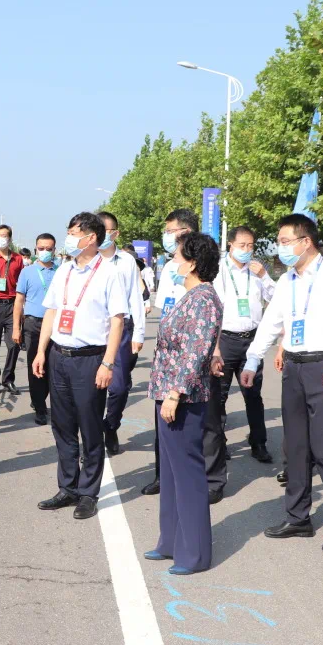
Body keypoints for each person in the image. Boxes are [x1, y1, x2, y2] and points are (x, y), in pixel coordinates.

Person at [242, 213, 323, 554]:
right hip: (293, 367)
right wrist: (253, 359)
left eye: (285, 242)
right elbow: (271, 322)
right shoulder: (287, 280)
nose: (281, 248)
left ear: (305, 241)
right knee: (295, 448)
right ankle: (298, 517)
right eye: (279, 243)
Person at [34, 212, 127, 520]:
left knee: (89, 427)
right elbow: (51, 312)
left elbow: (117, 322)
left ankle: (88, 492)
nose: (69, 238)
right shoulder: (63, 271)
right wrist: (40, 352)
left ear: (91, 238)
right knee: (61, 425)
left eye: (74, 232)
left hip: (90, 359)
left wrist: (108, 363)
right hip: (59, 357)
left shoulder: (108, 273)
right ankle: (68, 487)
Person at [144, 232, 222, 575]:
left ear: (192, 263)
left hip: (183, 396)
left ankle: (195, 554)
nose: (173, 263)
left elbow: (195, 352)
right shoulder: (189, 295)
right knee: (172, 473)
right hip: (169, 390)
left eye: (177, 257)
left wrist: (175, 394)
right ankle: (170, 541)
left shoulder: (204, 299)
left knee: (188, 475)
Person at [142, 208, 199, 496]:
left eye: (170, 230)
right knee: (162, 420)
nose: (165, 236)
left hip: (193, 354)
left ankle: (207, 481)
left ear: (185, 232)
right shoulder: (167, 267)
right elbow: (162, 308)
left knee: (200, 423)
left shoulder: (206, 265)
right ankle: (162, 476)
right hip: (166, 355)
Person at [211, 226, 276, 464]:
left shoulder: (257, 271)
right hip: (225, 340)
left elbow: (276, 299)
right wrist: (215, 348)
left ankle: (258, 443)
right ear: (230, 244)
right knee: (219, 395)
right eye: (242, 246)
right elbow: (212, 311)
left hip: (252, 340)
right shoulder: (219, 270)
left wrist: (265, 277)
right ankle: (220, 443)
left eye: (251, 246)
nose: (247, 250)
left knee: (253, 394)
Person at [97, 211, 146, 457]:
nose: (102, 235)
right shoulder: (86, 258)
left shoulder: (126, 261)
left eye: (107, 230)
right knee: (91, 389)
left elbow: (135, 297)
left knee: (119, 387)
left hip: (122, 330)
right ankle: (93, 435)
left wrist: (139, 332)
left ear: (115, 233)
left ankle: (111, 425)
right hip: (93, 331)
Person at [13, 233, 59, 426]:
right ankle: (40, 407)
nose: (45, 252)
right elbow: (19, 300)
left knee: (52, 367)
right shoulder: (27, 272)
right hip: (33, 324)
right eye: (41, 248)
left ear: (54, 250)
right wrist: (16, 327)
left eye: (49, 249)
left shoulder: (61, 271)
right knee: (36, 367)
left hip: (56, 325)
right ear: (35, 249)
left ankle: (42, 398)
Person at [0, 224, 25, 395]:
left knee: (13, 344)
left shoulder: (18, 259)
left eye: (4, 235)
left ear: (10, 238)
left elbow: (21, 285)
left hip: (12, 305)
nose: (1, 238)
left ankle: (8, 379)